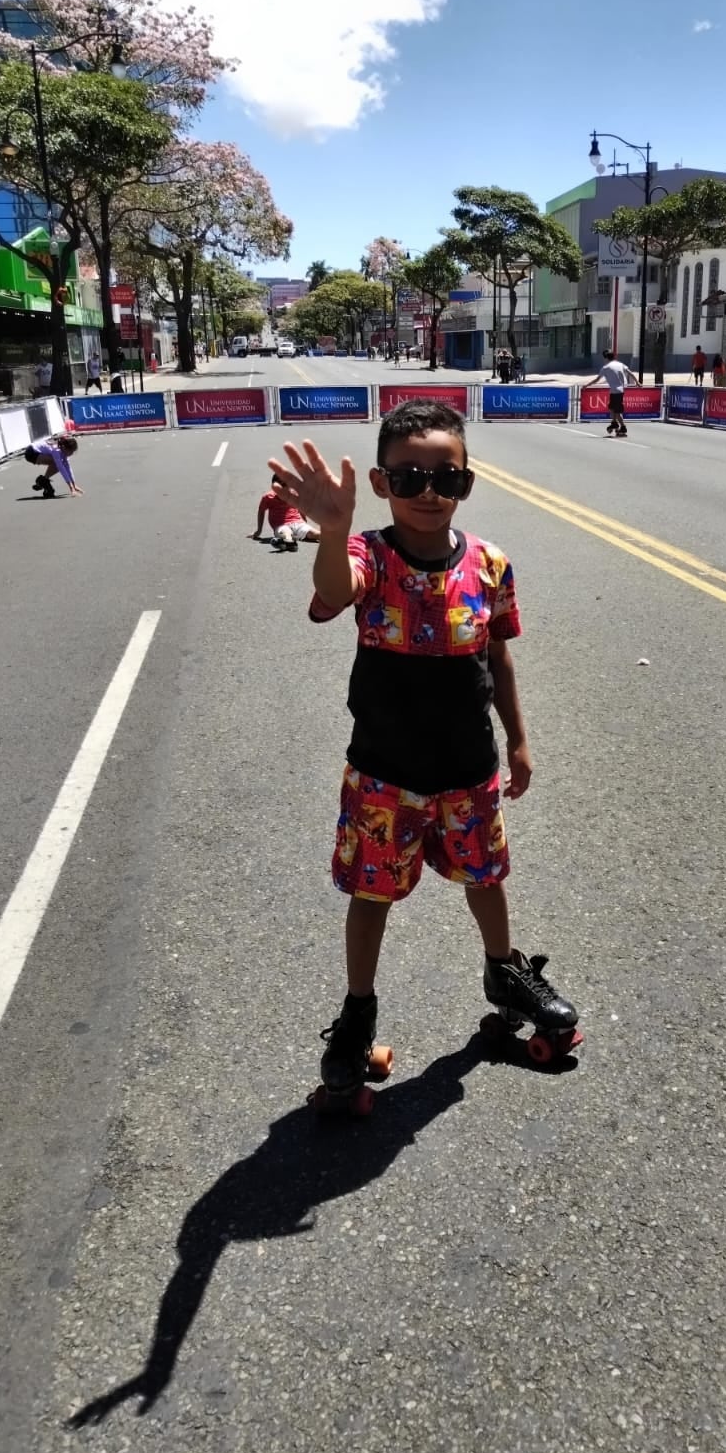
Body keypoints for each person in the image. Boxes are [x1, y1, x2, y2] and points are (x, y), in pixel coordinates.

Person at [267, 400, 581, 1111]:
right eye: (409, 478)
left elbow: (497, 656)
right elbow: (331, 592)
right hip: (385, 775)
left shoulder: (491, 563)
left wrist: (520, 739)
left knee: (487, 878)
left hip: (469, 771)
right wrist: (335, 529)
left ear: (469, 480)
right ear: (382, 484)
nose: (430, 492)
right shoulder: (368, 556)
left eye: (449, 478)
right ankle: (357, 1011)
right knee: (371, 896)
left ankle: (504, 972)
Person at [250, 474, 320, 550]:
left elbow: (300, 507)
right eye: (281, 484)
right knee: (286, 532)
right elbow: (261, 511)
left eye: (287, 484)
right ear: (274, 487)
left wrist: (304, 521)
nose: (285, 487)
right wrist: (259, 530)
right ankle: (289, 542)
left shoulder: (294, 493)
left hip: (298, 522)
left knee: (314, 534)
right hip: (281, 525)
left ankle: (333, 539)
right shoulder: (268, 497)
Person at [582, 348, 640, 437]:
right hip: (621, 390)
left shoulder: (605, 368)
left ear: (605, 358)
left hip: (615, 391)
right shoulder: (620, 364)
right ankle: (619, 425)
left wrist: (587, 385)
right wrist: (637, 382)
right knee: (613, 408)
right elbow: (630, 373)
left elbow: (597, 380)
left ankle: (616, 424)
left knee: (615, 409)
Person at [26, 433, 82, 498]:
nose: (72, 453)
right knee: (58, 463)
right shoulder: (56, 450)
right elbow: (61, 468)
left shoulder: (62, 450)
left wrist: (74, 485)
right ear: (64, 448)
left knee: (61, 462)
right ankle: (42, 481)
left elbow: (67, 466)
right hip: (31, 453)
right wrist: (71, 488)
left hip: (37, 452)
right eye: (71, 451)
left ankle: (42, 481)